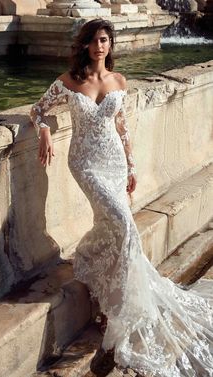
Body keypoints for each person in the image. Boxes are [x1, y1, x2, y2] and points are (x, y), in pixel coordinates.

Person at [30, 18, 213, 377]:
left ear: (110, 45)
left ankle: (93, 262)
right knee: (122, 226)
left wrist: (131, 167)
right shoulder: (69, 82)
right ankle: (120, 312)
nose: (100, 46)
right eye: (94, 40)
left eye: (105, 40)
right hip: (85, 164)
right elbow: (37, 110)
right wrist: (45, 132)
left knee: (115, 226)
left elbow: (122, 126)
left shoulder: (119, 81)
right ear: (84, 45)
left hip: (114, 162)